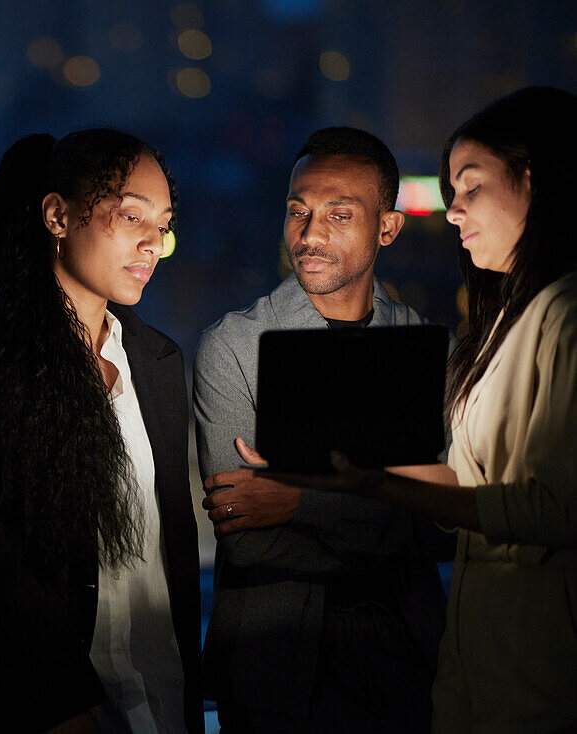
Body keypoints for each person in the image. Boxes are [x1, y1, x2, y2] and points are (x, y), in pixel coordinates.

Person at [0, 129, 204, 733]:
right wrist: (64, 708)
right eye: (131, 215)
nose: (152, 242)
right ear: (58, 215)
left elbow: (164, 557)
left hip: (153, 706)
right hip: (28, 713)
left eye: (163, 223)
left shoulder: (157, 362)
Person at [272, 87, 577, 732]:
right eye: (451, 192)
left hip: (541, 672)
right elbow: (474, 486)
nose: (454, 209)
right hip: (479, 668)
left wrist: (372, 486)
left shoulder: (565, 314)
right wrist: (351, 475)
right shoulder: (506, 323)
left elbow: (552, 508)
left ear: (533, 180)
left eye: (470, 187)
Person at [194, 127, 454, 732]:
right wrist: (389, 498)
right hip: (273, 677)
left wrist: (297, 501)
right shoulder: (234, 344)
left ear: (386, 228)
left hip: (408, 665)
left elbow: (443, 525)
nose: (310, 235)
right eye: (298, 212)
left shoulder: (424, 348)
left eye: (339, 214)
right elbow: (246, 534)